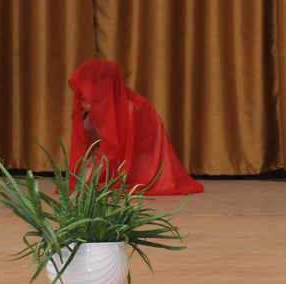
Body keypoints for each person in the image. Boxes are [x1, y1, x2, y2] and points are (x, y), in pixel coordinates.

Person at [68, 58, 204, 196]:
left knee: (95, 183)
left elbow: (142, 148)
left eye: (86, 94)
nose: (81, 98)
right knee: (83, 181)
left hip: (139, 162)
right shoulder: (87, 110)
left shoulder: (134, 107)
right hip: (110, 157)